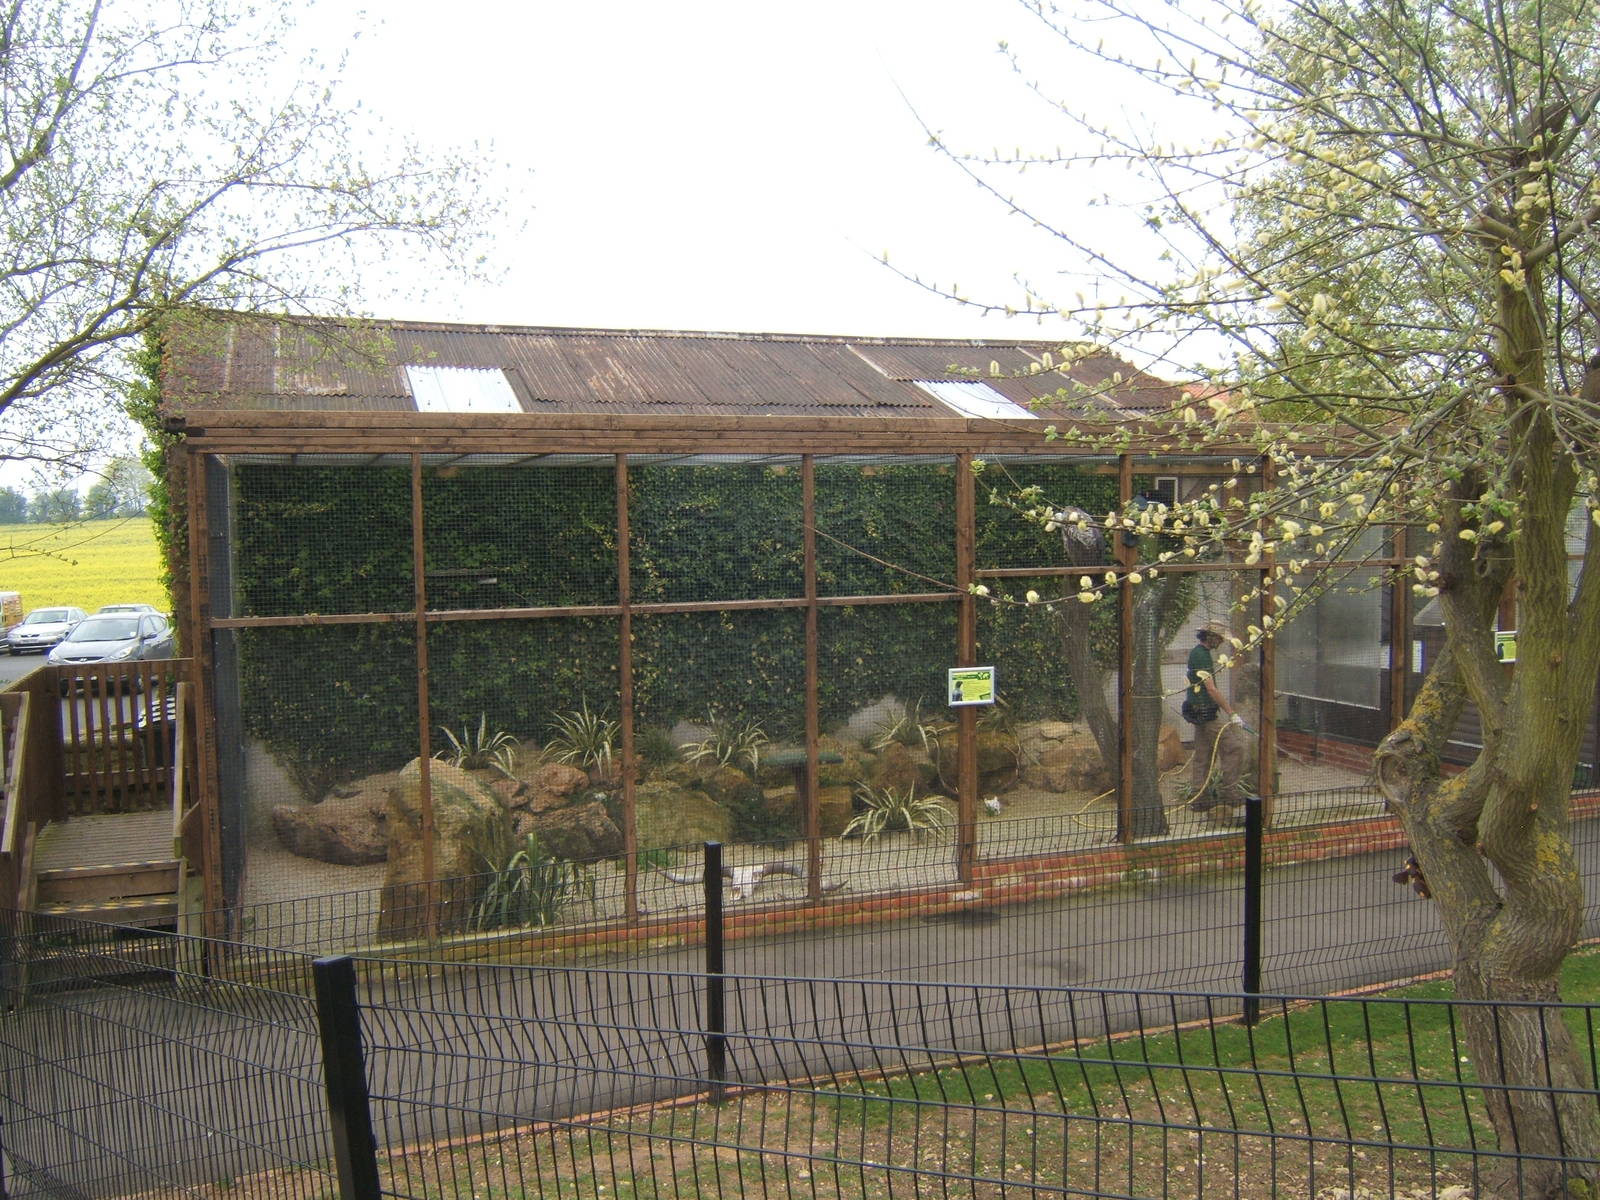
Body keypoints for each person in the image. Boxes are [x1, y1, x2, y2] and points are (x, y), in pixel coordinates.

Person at [1182, 620, 1247, 825]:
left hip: (1198, 711)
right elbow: (1211, 689)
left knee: (1203, 753)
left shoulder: (1199, 653)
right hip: (1206, 712)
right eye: (1219, 638)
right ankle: (1229, 792)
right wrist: (1231, 712)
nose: (1221, 641)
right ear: (1210, 637)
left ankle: (1198, 796)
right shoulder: (1201, 655)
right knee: (1234, 748)